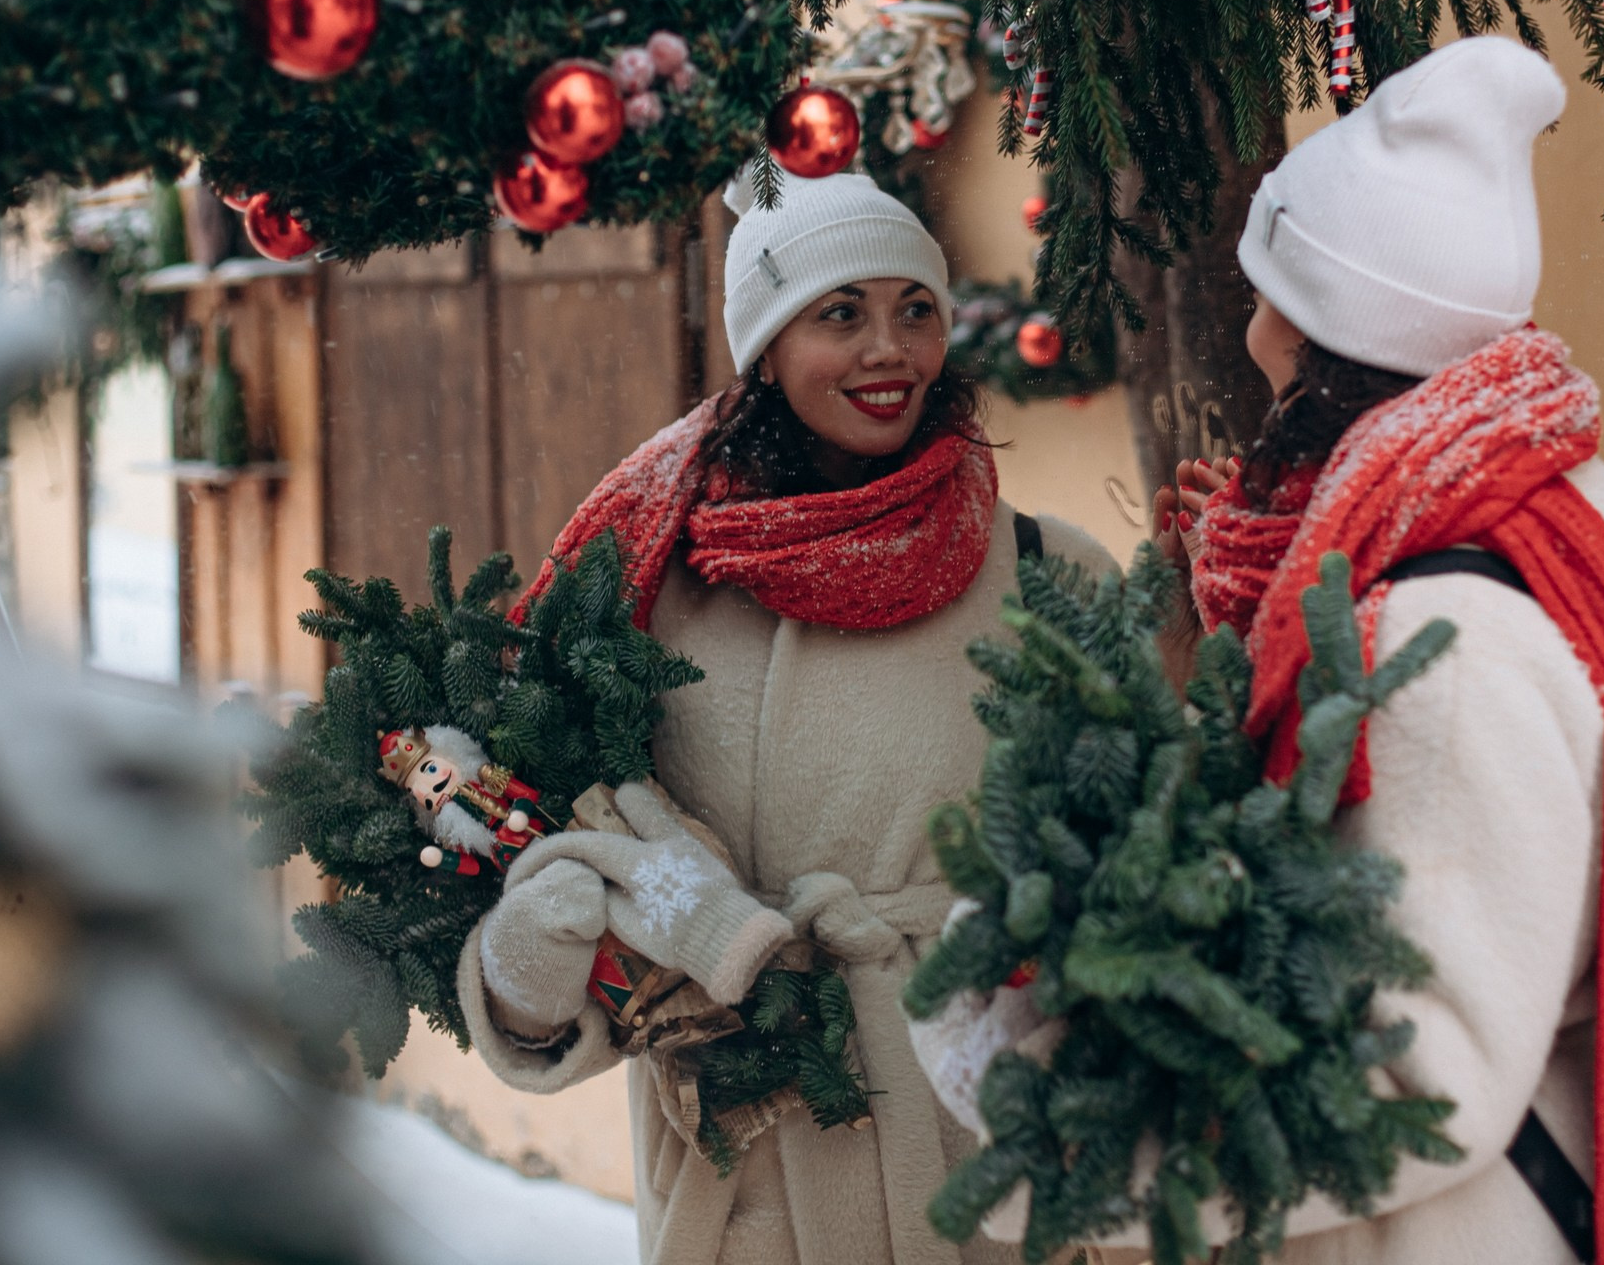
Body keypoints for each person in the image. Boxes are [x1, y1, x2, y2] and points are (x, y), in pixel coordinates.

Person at [933, 36, 1604, 1265]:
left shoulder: (1446, 636)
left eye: (1273, 292)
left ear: (1330, 328)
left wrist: (1069, 1122)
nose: (1256, 328)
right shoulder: (1514, 512)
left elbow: (1416, 1068)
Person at [458, 165, 1119, 1265]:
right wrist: (531, 964)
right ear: (763, 346)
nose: (888, 350)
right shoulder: (645, 593)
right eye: (840, 313)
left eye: (917, 309)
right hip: (751, 1162)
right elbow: (581, 867)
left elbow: (1151, 855)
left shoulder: (1055, 574)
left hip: (990, 1158)